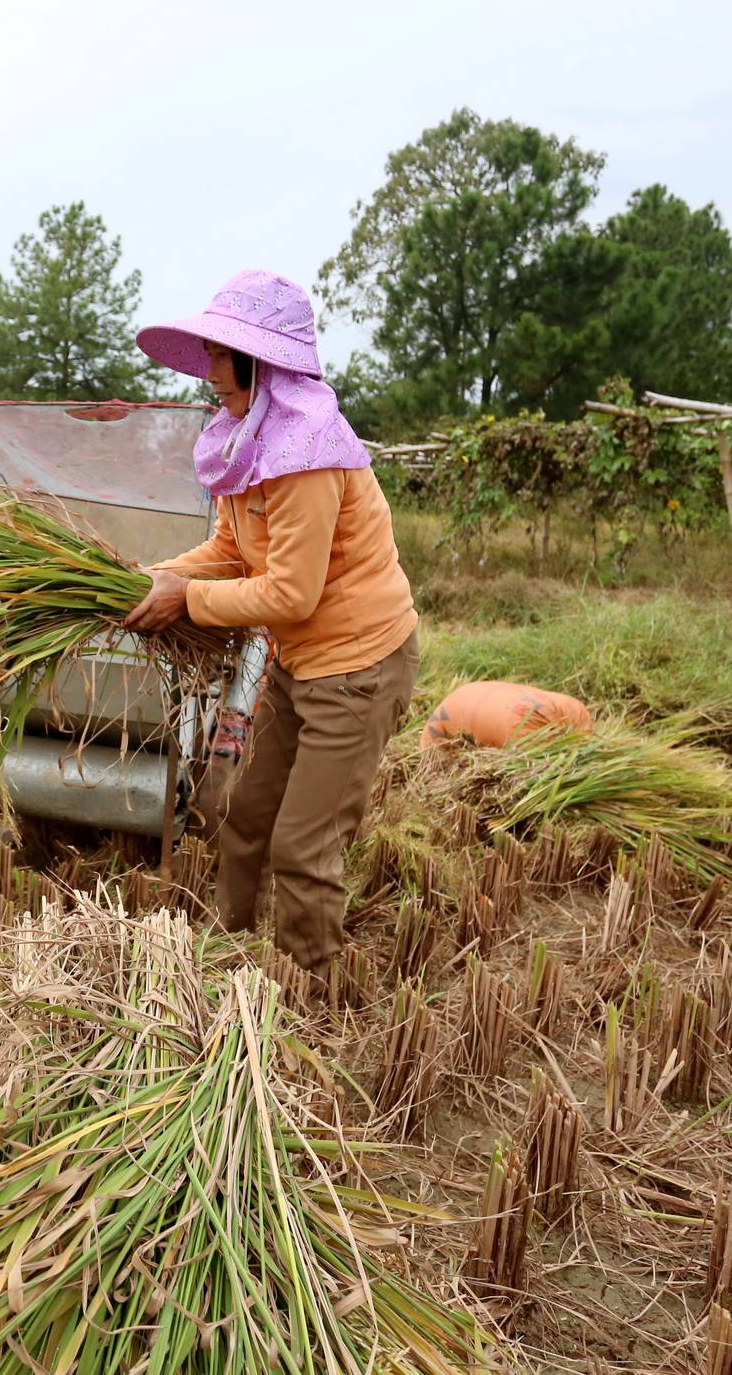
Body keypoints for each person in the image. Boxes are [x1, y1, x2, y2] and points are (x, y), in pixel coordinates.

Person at [121, 269, 419, 974]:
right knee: (239, 811)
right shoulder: (248, 442)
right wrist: (150, 580)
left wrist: (184, 602)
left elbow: (290, 595)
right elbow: (228, 550)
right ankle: (228, 959)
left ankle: (311, 993)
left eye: (224, 356)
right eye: (212, 355)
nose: (212, 372)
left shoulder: (307, 454)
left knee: (302, 849)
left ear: (265, 363)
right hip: (298, 663)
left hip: (358, 666)